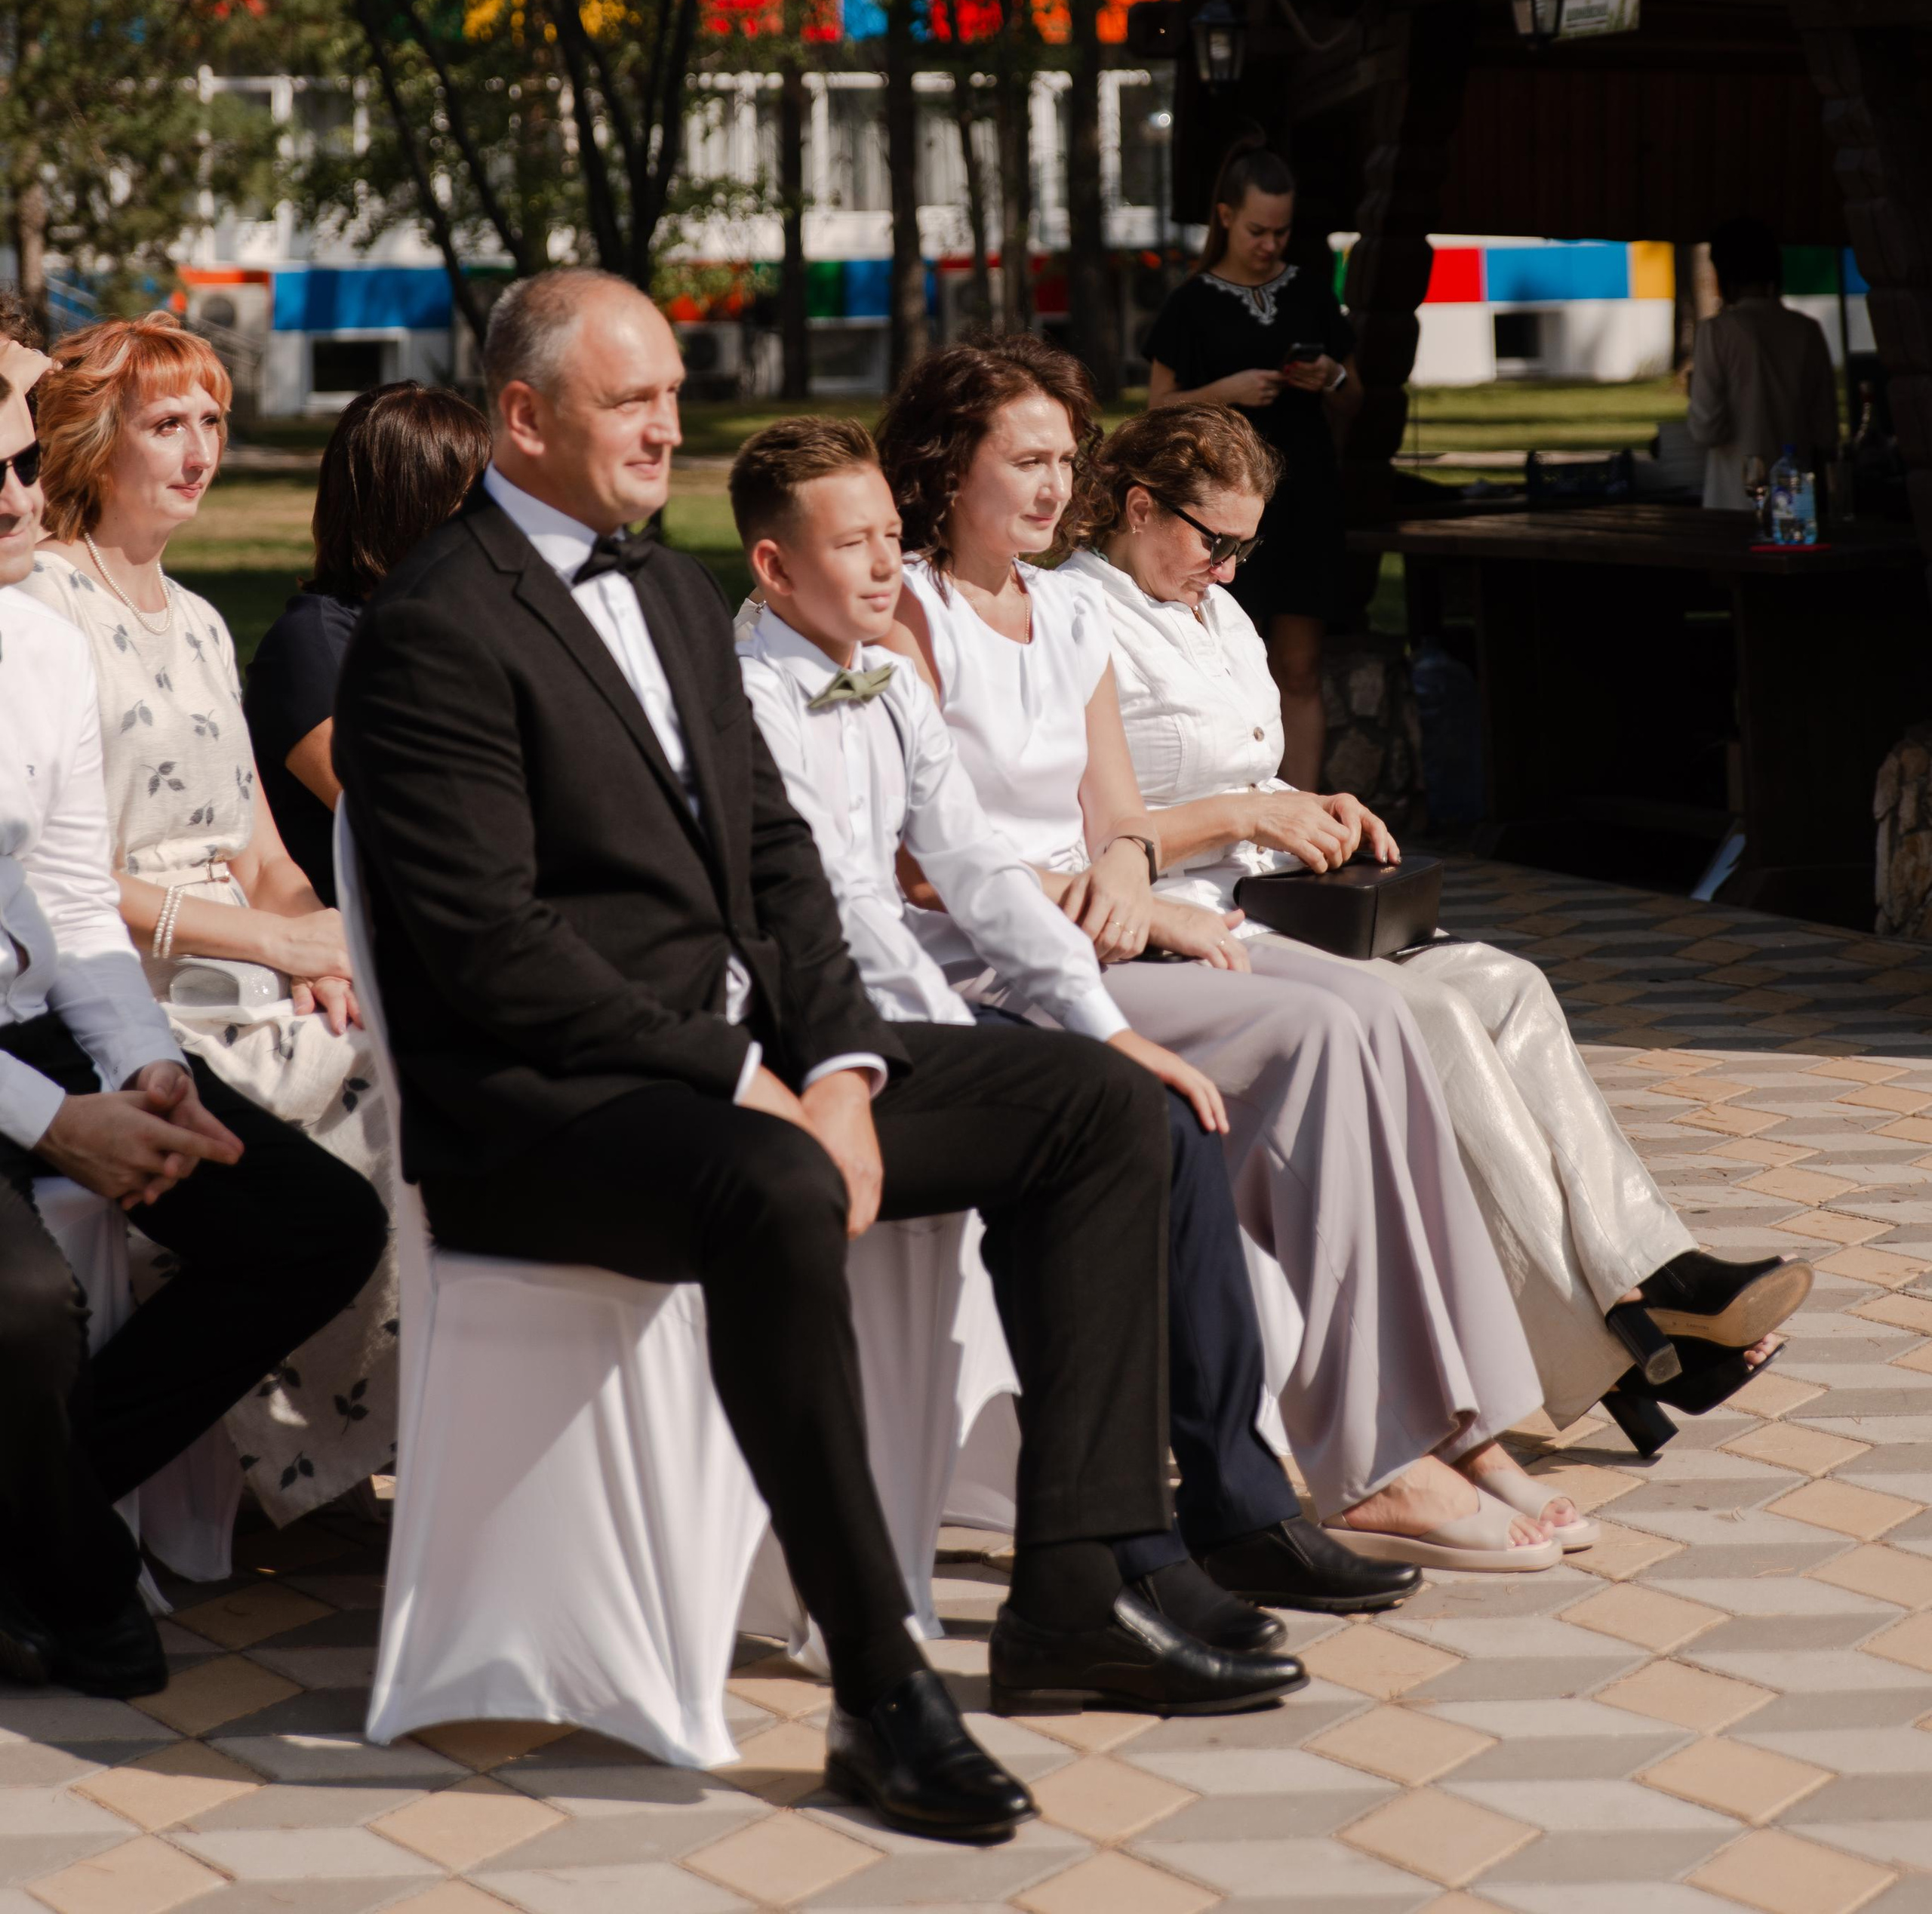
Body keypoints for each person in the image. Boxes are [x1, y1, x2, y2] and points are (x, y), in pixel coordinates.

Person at [333, 269, 1291, 1851]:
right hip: (541, 1112)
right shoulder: (433, 627)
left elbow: (779, 859)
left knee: (1095, 1106)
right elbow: (494, 952)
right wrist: (746, 1082)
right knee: (775, 1179)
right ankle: (877, 1683)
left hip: (745, 1071)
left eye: (671, 393)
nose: (667, 425)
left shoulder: (660, 586)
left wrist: (841, 1063)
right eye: (629, 399)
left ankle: (1075, 1582)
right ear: (522, 416)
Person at [878, 335, 1576, 1570]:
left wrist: (1133, 881)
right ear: (948, 462)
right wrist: (1133, 907)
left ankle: (1459, 1426)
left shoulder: (1062, 612)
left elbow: (1121, 823)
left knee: (1379, 1010)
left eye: (1063, 459)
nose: (1054, 485)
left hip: (1101, 931)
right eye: (1025, 459)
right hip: (986, 963)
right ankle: (1373, 1459)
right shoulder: (906, 613)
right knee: (1313, 1034)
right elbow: (924, 866)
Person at [730, 414, 1417, 1622]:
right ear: (774, 567)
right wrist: (1061, 1043)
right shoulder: (748, 696)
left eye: (891, 536)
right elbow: (831, 920)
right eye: (854, 545)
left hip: (920, 1007)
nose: (888, 567)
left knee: (1157, 1109)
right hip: (821, 1038)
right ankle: (1112, 1560)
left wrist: (1104, 1023)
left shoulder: (881, 675)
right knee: (1115, 1119)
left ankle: (1230, 1508)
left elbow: (979, 871)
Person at [1070, 402, 1812, 1454]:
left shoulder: (1216, 614)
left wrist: (1310, 805)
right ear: (1139, 506)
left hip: (1274, 897)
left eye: (1246, 546)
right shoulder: (1077, 620)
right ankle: (1626, 1339)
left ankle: (1653, 1274)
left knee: (1508, 983)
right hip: (1186, 920)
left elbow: (1245, 773)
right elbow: (1096, 828)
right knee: (1438, 1019)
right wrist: (1246, 814)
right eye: (1213, 541)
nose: (1230, 569)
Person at [0, 372, 386, 1697]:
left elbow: (69, 895)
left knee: (321, 1221)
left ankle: (31, 1529)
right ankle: (72, 1558)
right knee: (25, 1304)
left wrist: (141, 1066)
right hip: (29, 1069)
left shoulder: (44, 645)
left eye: (20, 466)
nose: (17, 501)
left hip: (55, 1021)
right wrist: (60, 1122)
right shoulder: (62, 612)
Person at [1144, 137, 1355, 790]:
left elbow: (1356, 398)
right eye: (1258, 230)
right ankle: (1240, 813)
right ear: (1226, 216)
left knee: (1300, 666)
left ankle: (1306, 813)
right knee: (1227, 666)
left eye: (1282, 232)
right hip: (1218, 512)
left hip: (1304, 502)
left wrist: (1332, 376)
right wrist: (1225, 393)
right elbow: (1156, 409)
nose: (1270, 244)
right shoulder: (1190, 303)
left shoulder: (1311, 292)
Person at [245, 385, 491, 906]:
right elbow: (417, 825)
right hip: (365, 938)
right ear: (409, 505)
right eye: (474, 497)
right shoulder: (310, 648)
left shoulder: (461, 631)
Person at [1687, 217, 1839, 512]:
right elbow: (1826, 432)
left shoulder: (1717, 332)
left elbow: (1706, 430)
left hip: (1733, 502)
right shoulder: (1806, 330)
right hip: (1796, 502)